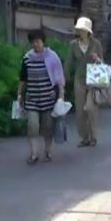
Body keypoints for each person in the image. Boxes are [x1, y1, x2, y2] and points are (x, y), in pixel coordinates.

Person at [18, 29, 66, 165]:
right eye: (33, 42)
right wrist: (19, 94)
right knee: (32, 126)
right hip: (32, 98)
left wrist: (61, 96)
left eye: (38, 41)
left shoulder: (52, 57)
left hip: (48, 98)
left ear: (43, 42)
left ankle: (48, 150)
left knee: (47, 127)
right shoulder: (27, 59)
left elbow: (59, 79)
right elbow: (23, 79)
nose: (36, 44)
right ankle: (34, 154)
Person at [67, 16, 104, 147]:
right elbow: (69, 62)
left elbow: (102, 62)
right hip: (79, 79)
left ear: (88, 31)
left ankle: (93, 136)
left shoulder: (96, 44)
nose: (80, 32)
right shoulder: (73, 45)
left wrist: (97, 59)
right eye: (79, 29)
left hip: (93, 79)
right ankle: (84, 137)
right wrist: (65, 77)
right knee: (80, 109)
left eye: (83, 30)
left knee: (90, 108)